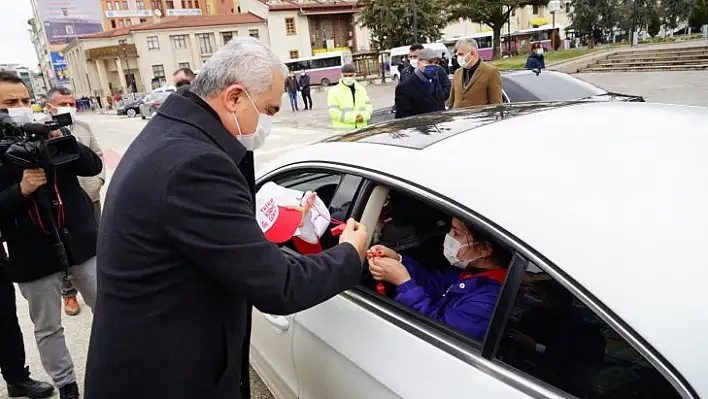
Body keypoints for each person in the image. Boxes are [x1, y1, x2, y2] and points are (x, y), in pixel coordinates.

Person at [84, 37, 369, 399]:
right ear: (234, 97)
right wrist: (350, 253)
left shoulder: (176, 134)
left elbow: (209, 232)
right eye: (269, 109)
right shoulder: (195, 165)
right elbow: (279, 287)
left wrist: (281, 220)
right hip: (166, 378)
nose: (269, 124)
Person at [0, 71, 102, 399]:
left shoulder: (50, 131)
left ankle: (122, 365)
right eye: (10, 103)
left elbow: (91, 167)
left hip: (80, 243)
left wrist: (62, 135)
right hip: (32, 253)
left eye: (25, 101)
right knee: (48, 328)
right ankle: (67, 386)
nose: (20, 108)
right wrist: (21, 190)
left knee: (108, 307)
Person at [367, 217, 511, 341]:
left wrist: (404, 284)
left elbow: (438, 333)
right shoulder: (471, 273)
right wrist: (398, 260)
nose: (449, 236)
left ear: (484, 249)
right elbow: (430, 283)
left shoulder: (490, 299)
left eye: (457, 233)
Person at [44, 86, 106, 316]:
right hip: (63, 204)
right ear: (49, 106)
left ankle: (100, 286)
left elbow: (97, 155)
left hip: (89, 196)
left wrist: (98, 180)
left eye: (71, 103)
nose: (68, 107)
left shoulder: (82, 127)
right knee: (66, 252)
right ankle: (69, 293)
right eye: (63, 103)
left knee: (94, 244)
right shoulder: (40, 131)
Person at [449, 38, 503, 108]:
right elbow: (452, 101)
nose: (458, 58)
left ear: (472, 53)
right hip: (458, 117)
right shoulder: (457, 73)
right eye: (457, 55)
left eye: (461, 54)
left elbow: (496, 104)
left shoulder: (491, 72)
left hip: (479, 117)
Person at [394, 48, 446, 119]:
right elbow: (402, 119)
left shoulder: (435, 81)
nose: (433, 65)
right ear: (419, 63)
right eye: (430, 62)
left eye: (436, 63)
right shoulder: (405, 87)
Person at [327, 64, 373, 131]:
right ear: (341, 75)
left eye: (350, 75)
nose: (348, 78)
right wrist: (353, 118)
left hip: (361, 130)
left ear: (355, 75)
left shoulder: (361, 89)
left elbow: (369, 106)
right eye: (345, 76)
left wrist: (363, 116)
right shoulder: (334, 91)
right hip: (343, 132)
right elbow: (333, 112)